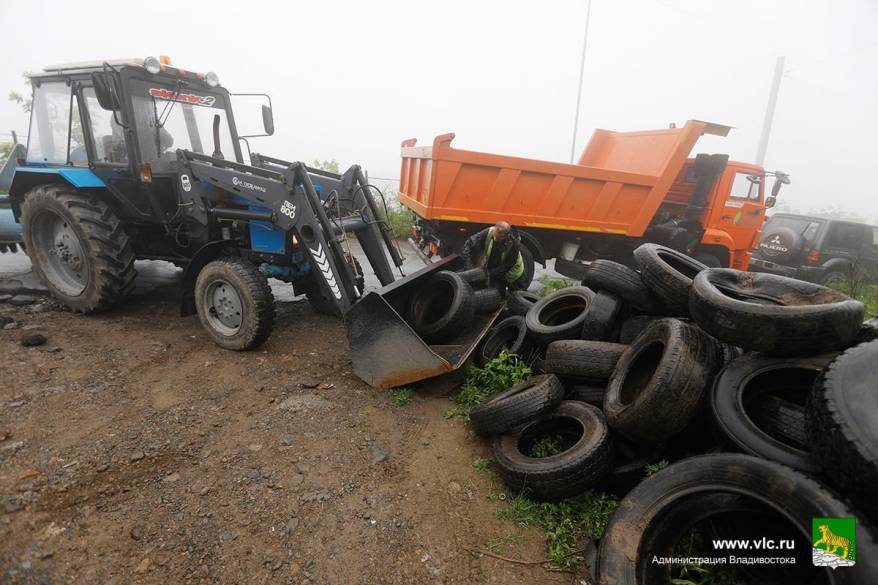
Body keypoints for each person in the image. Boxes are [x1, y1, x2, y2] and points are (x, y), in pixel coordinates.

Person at [461, 221, 528, 292]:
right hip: (496, 268)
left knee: (517, 296)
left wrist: (490, 273)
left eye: (498, 238)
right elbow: (469, 244)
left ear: (505, 236)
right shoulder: (488, 232)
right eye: (494, 236)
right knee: (497, 293)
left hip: (513, 274)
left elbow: (508, 265)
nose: (495, 239)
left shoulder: (513, 244)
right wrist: (469, 265)